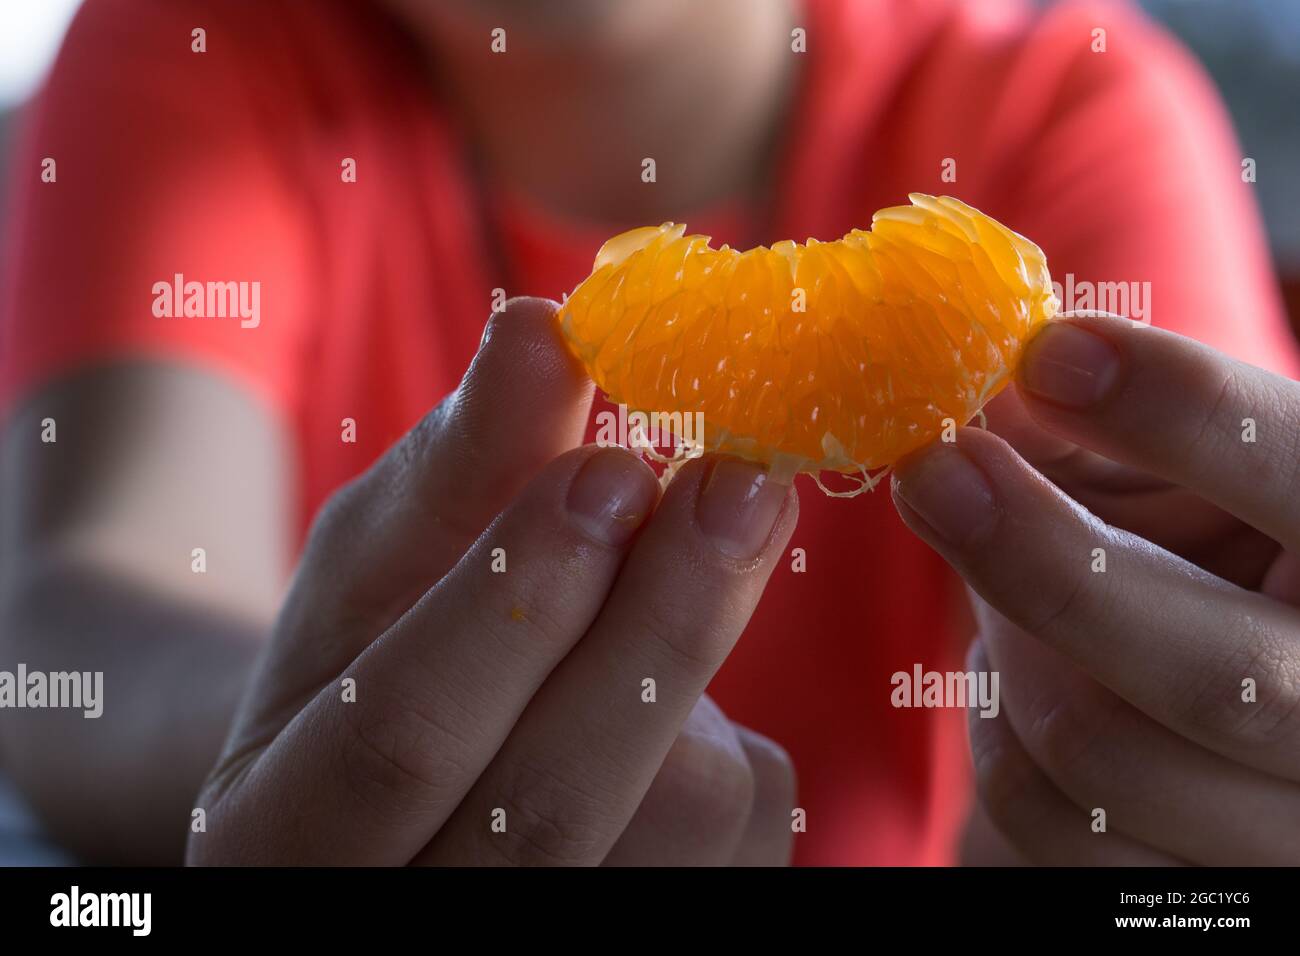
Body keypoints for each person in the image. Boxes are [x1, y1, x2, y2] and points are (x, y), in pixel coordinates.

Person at [0, 0, 1296, 865]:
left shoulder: (1064, 100)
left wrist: (1162, 783)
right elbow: (94, 597)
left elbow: (1197, 587)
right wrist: (315, 754)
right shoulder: (198, 44)